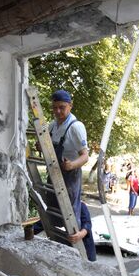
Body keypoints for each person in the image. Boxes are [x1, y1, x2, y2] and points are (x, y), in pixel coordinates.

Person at [48, 89, 89, 227]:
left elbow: (85, 156)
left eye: (62, 107)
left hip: (70, 175)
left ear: (70, 106)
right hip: (54, 172)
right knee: (54, 209)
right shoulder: (52, 126)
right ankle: (57, 240)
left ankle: (74, 241)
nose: (58, 111)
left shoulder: (76, 127)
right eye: (55, 107)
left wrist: (71, 165)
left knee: (70, 212)